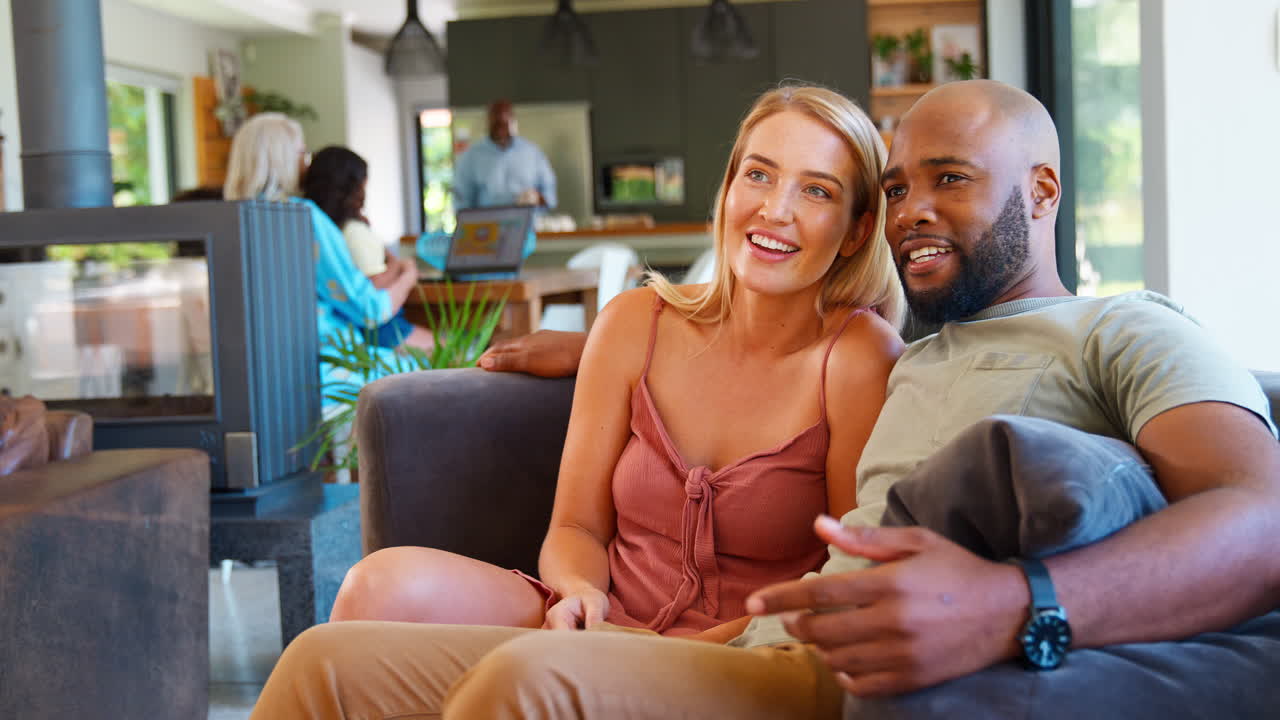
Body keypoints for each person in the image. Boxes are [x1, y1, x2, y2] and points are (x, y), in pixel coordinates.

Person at [251, 80, 1280, 719]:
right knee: (326, 663)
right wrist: (603, 350)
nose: (914, 212)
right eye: (900, 187)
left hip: (805, 660)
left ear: (1043, 191)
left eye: (952, 180)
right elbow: (755, 341)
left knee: (526, 685)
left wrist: (1020, 607)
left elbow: (1263, 520)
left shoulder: (1124, 328)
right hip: (728, 644)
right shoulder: (919, 349)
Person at [251, 83, 906, 716]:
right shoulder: (634, 322)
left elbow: (846, 581)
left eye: (816, 191)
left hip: (736, 658)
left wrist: (640, 653)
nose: (775, 210)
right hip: (596, 620)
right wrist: (580, 596)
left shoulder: (857, 359)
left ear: (856, 231)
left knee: (523, 674)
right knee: (359, 607)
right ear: (729, 188)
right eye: (758, 175)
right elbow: (576, 529)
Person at [223, 114, 433, 375]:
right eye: (302, 153)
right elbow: (368, 309)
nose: (306, 163)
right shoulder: (301, 216)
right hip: (327, 362)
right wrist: (408, 275)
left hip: (263, 366)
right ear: (283, 159)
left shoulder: (231, 221)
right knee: (435, 360)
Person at [301, 145, 428, 350]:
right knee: (454, 347)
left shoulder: (316, 226)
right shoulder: (353, 232)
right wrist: (405, 271)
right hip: (380, 327)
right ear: (356, 186)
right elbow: (371, 288)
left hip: (356, 325)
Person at [453, 99, 557, 211]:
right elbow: (461, 203)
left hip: (526, 220)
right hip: (487, 221)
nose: (501, 130)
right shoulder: (471, 157)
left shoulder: (532, 153)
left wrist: (536, 198)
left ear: (513, 122)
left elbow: (549, 194)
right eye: (497, 124)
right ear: (488, 122)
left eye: (505, 123)